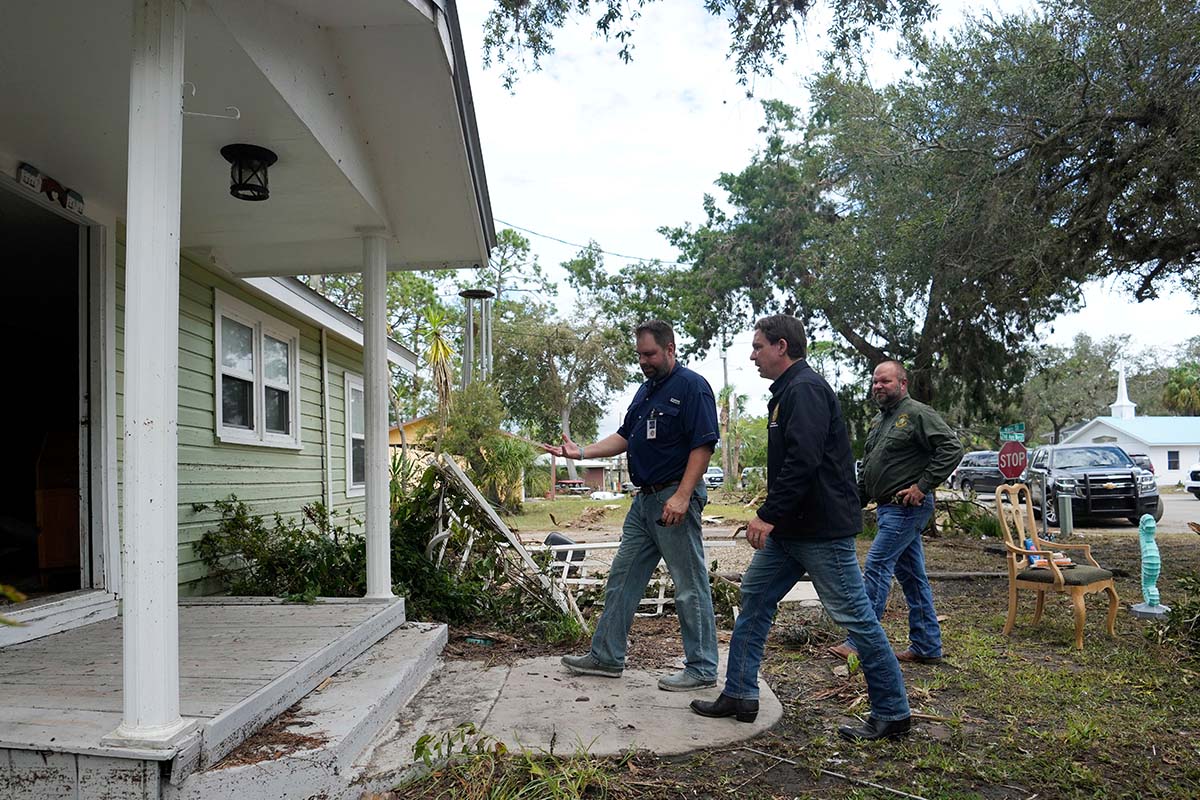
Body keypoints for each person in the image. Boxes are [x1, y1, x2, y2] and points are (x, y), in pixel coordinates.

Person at [690, 315, 912, 741]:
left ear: (781, 347)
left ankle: (893, 713)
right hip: (791, 533)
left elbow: (803, 461)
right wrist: (777, 518)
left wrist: (768, 514)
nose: (752, 355)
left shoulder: (805, 389)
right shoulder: (787, 392)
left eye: (757, 347)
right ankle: (739, 693)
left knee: (857, 619)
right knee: (753, 599)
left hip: (821, 531)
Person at [542, 320, 721, 692]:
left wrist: (683, 495)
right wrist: (582, 451)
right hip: (645, 502)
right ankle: (606, 656)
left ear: (670, 349)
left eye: (650, 354)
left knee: (689, 585)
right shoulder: (646, 391)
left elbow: (702, 446)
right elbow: (625, 436)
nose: (644, 361)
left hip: (673, 497)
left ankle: (702, 667)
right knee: (622, 579)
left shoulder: (692, 387)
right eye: (640, 355)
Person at [830, 360, 963, 665]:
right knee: (913, 578)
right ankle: (927, 645)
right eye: (875, 381)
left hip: (907, 507)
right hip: (888, 509)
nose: (878, 386)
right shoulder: (880, 422)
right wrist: (854, 501)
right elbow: (869, 467)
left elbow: (951, 449)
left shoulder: (917, 413)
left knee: (876, 565)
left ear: (903, 384)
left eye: (885, 381)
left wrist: (922, 486)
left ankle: (861, 641)